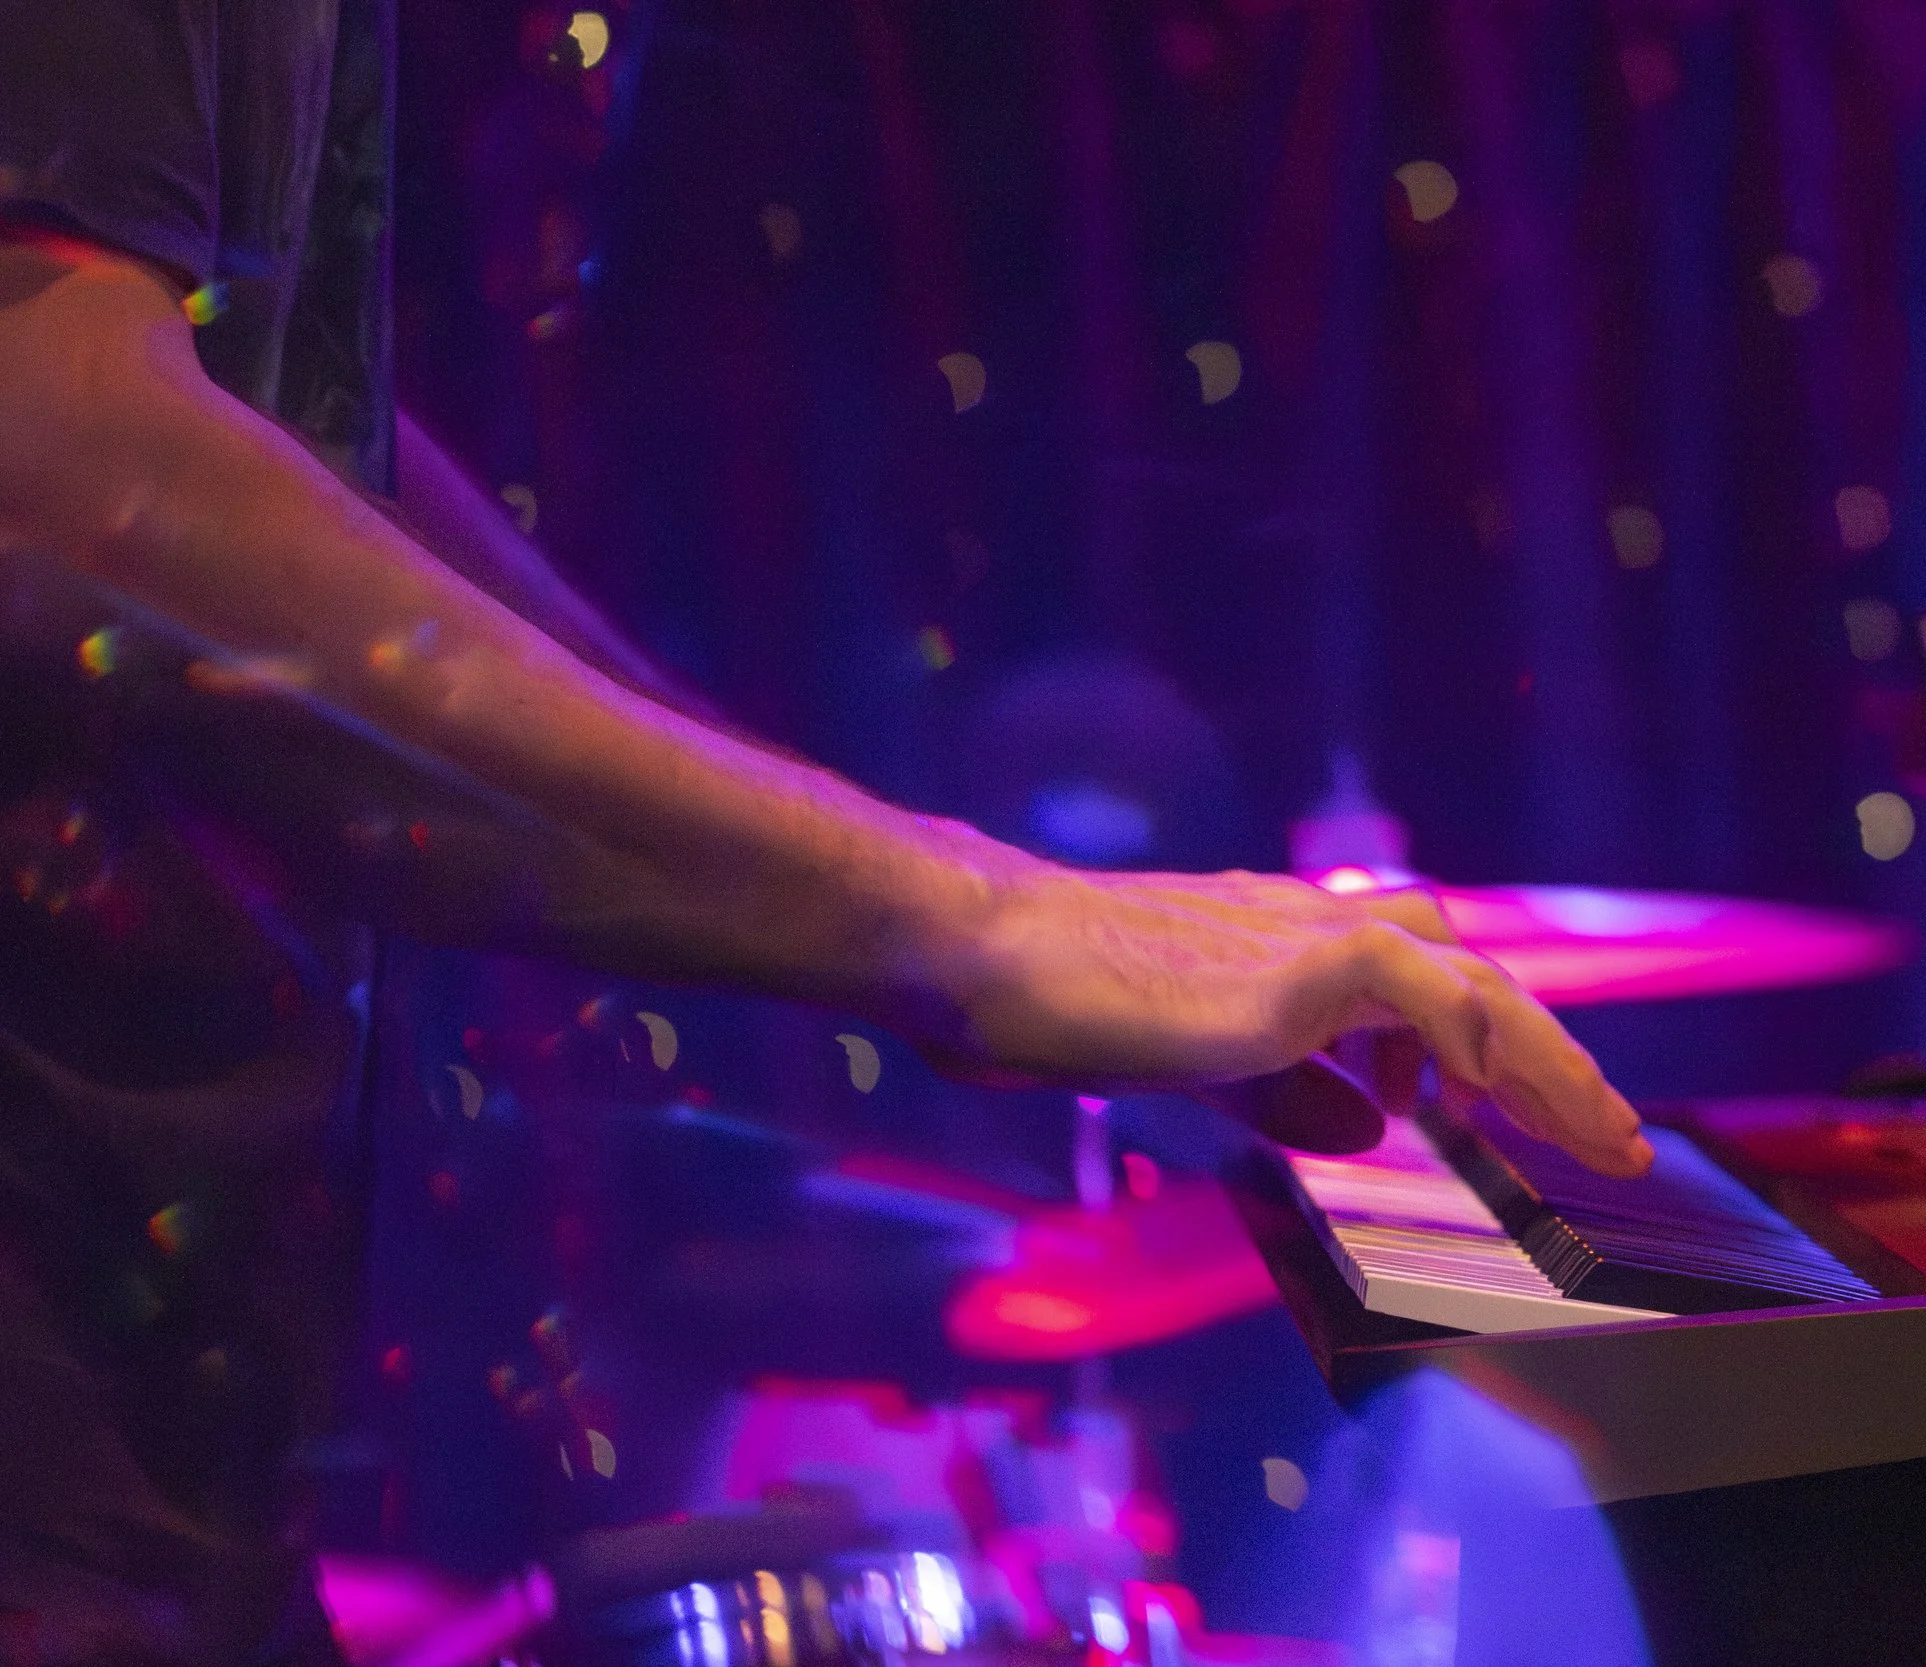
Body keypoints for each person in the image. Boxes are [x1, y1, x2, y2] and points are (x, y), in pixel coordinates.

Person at [0, 4, 1650, 1660]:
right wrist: (958, 916)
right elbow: (54, 452)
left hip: (170, 1469)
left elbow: (275, 442)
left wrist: (972, 895)